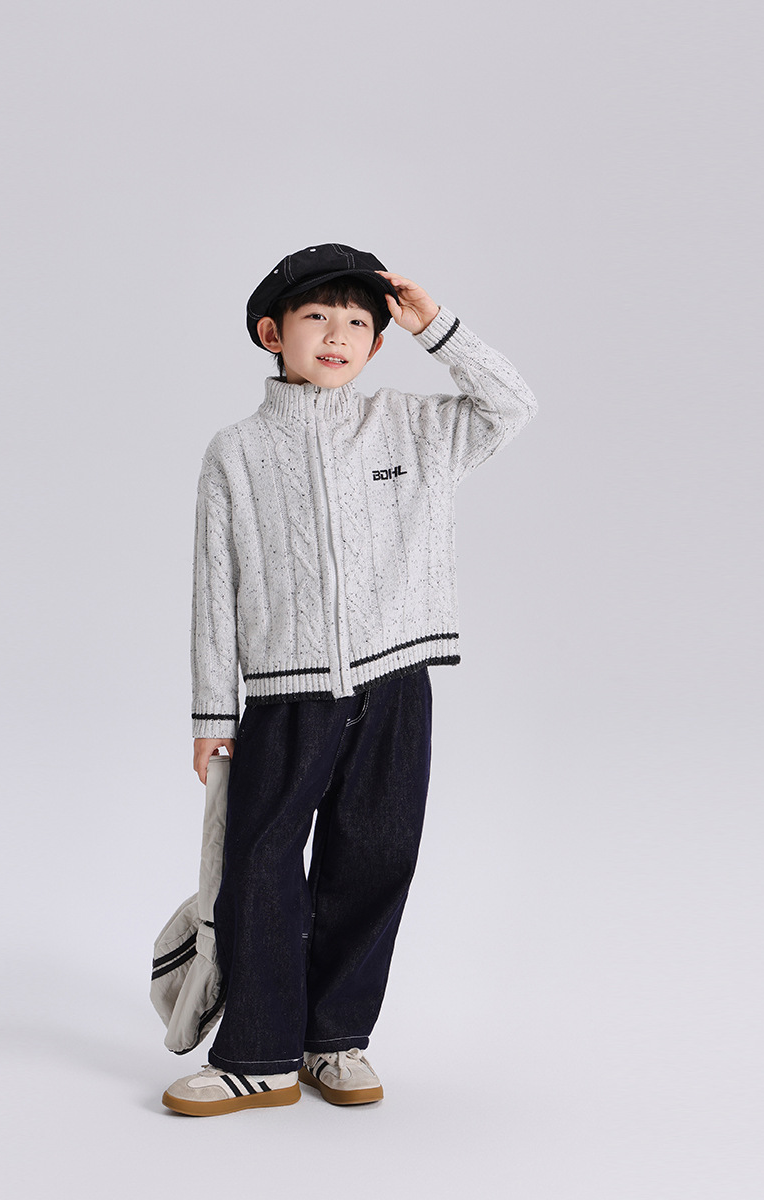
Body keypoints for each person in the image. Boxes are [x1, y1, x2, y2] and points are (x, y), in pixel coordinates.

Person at [162, 243, 537, 1116]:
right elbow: (215, 586)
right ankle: (258, 1054)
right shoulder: (236, 453)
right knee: (260, 866)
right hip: (285, 692)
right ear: (273, 334)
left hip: (399, 683)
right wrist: (212, 713)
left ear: (377, 342)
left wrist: (435, 326)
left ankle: (335, 1039)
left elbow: (513, 404)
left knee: (375, 860)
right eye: (317, 317)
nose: (337, 335)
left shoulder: (414, 427)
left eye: (358, 322)